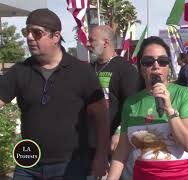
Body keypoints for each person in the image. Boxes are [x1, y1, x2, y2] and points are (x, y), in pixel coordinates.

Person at [0, 9, 110, 179]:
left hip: (71, 165)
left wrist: (101, 156)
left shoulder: (81, 72)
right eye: (26, 32)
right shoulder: (20, 71)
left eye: (36, 33)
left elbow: (101, 117)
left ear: (56, 37)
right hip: (28, 162)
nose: (29, 37)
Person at [106, 36, 188, 180]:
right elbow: (121, 152)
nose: (156, 66)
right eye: (148, 62)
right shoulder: (131, 103)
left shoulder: (185, 95)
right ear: (141, 67)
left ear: (169, 65)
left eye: (162, 61)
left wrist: (170, 110)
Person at [87, 25, 142, 179]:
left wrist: (119, 132)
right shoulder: (88, 70)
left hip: (118, 145)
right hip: (91, 143)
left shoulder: (125, 70)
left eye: (92, 40)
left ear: (105, 42)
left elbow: (133, 106)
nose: (88, 44)